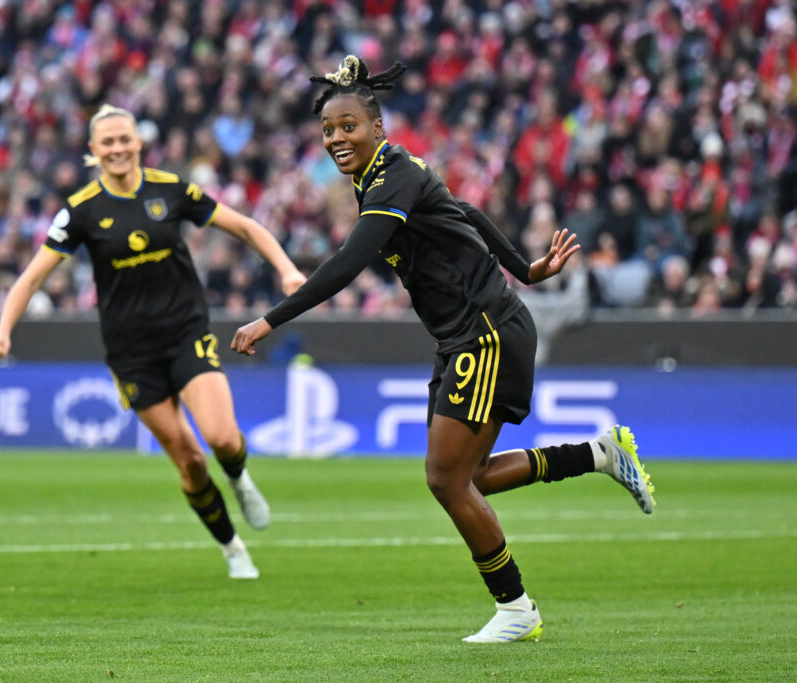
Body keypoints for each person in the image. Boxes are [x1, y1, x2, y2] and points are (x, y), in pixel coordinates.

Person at [231, 56, 656, 642]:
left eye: (347, 125)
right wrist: (525, 271)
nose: (336, 138)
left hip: (485, 333)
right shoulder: (384, 175)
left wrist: (270, 320)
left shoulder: (392, 177)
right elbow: (468, 213)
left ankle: (516, 610)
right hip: (467, 334)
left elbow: (350, 263)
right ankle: (599, 455)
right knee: (468, 476)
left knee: (446, 480)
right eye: (328, 130)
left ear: (376, 128)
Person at [0, 104, 306, 579]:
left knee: (221, 438)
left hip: (185, 332)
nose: (116, 149)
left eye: (123, 140)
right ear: (94, 152)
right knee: (188, 460)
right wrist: (2, 329)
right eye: (106, 143)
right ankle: (233, 548)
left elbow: (242, 225)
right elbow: (31, 278)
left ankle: (238, 477)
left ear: (138, 143)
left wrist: (286, 268)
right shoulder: (80, 210)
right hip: (131, 352)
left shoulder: (170, 189)